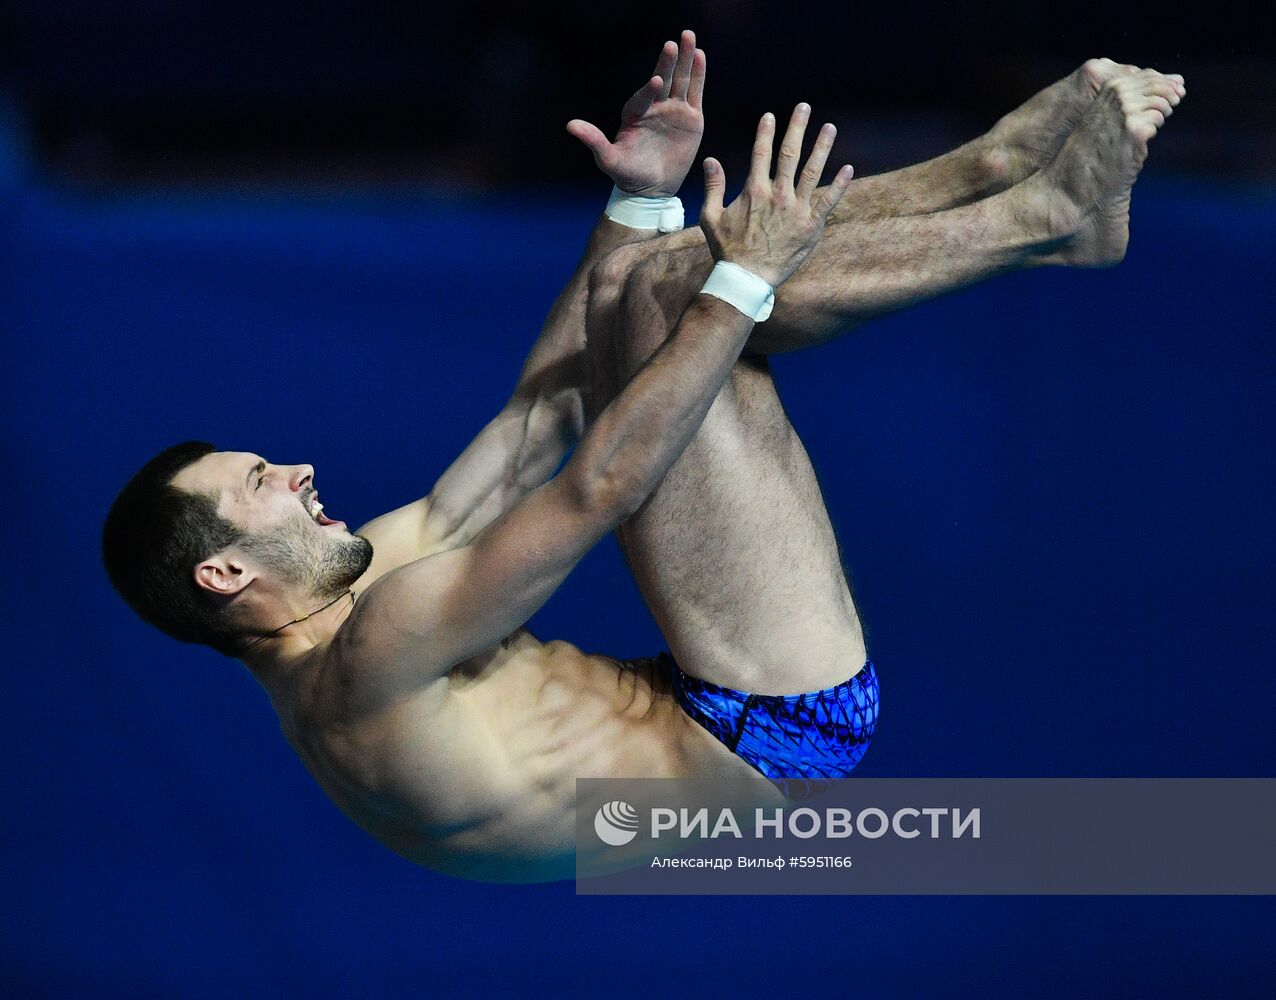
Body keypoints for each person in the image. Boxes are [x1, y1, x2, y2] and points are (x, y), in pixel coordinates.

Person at [102, 32, 1184, 882]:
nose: (292, 471)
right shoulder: (366, 664)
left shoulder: (359, 601)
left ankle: (996, 171)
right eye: (258, 486)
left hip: (703, 693)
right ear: (225, 571)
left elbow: (537, 423)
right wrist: (744, 278)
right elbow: (596, 485)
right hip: (780, 720)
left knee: (651, 278)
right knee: (687, 293)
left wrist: (637, 199)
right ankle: (1040, 212)